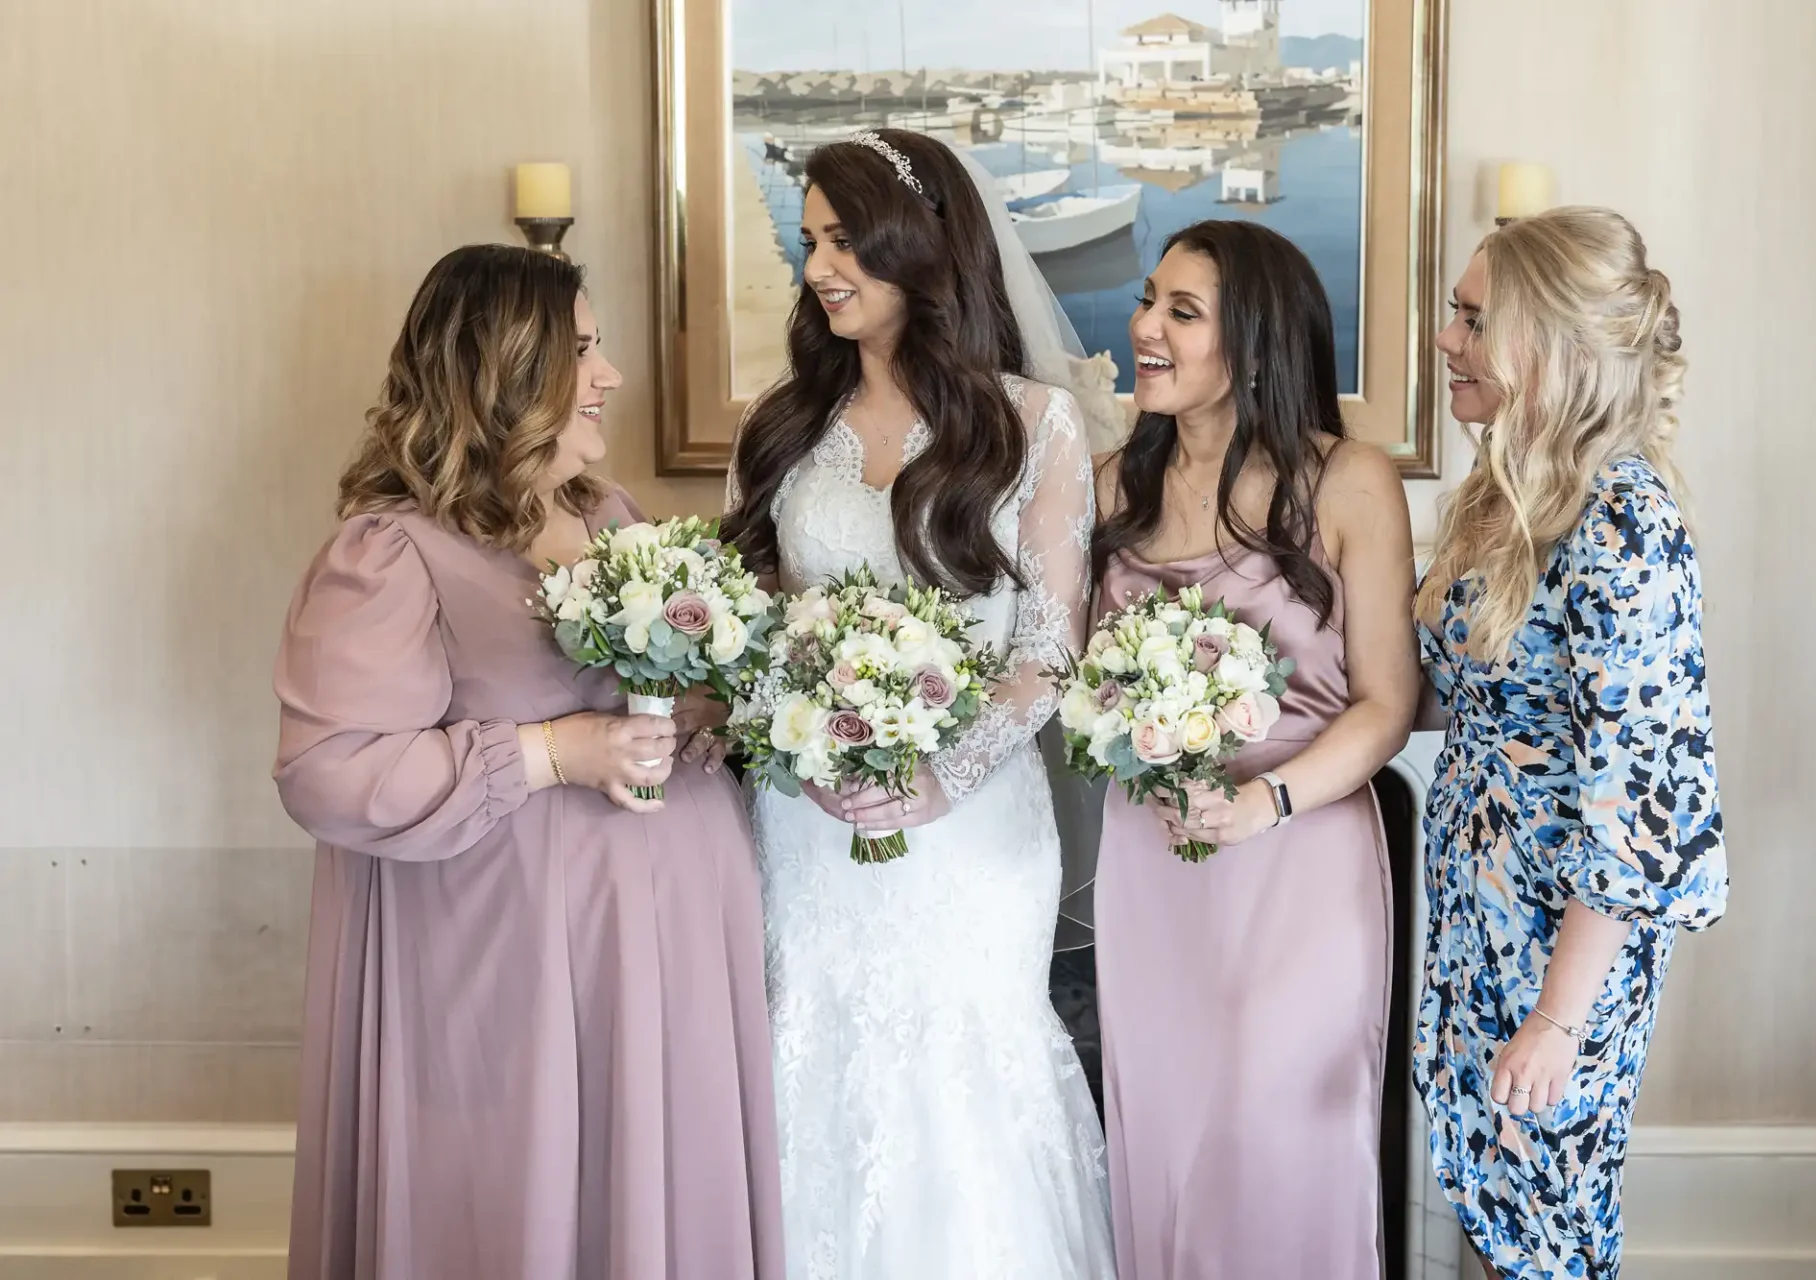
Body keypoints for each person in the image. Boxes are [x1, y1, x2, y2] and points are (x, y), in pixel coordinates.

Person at [273, 245, 782, 1280]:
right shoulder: (393, 550)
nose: (611, 374)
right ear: (503, 371)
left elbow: (649, 691)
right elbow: (329, 768)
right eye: (582, 350)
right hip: (514, 976)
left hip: (663, 959)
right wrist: (552, 752)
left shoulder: (611, 515)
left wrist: (702, 710)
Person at [718, 128, 1116, 1279]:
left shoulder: (1032, 424)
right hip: (811, 818)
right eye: (808, 243)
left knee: (965, 1075)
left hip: (974, 831)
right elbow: (746, 627)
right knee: (814, 1058)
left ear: (921, 243)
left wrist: (938, 775)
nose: (819, 268)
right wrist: (782, 723)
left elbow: (1048, 647)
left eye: (844, 239)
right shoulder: (778, 426)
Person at [1089, 220, 1421, 1280]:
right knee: (1170, 1139)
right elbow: (1070, 677)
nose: (1143, 328)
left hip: (1299, 855)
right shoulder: (1110, 490)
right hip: (1150, 863)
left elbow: (1386, 702)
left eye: (1181, 313)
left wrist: (1263, 801)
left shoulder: (1347, 479)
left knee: (1277, 1141)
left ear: (1261, 345)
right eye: (1149, 302)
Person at [1417, 206, 1730, 1279]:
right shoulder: (1503, 497)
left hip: (1563, 939)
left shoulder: (1625, 525)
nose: (1445, 340)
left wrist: (1558, 1017)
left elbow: (1645, 804)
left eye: (1470, 319)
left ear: (1543, 345)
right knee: (1490, 1200)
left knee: (1545, 1218)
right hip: (1479, 910)